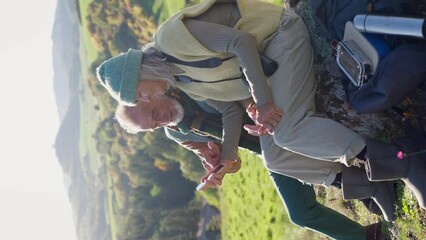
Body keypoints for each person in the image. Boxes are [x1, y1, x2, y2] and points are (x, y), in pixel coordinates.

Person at [96, 0, 426, 217]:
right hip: (271, 64)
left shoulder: (171, 39)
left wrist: (264, 100)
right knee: (275, 157)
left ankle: (401, 159)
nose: (145, 99)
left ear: (139, 72)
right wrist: (248, 116)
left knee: (288, 131)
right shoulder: (179, 79)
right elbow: (230, 101)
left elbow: (240, 43)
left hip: (280, 35)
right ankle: (369, 184)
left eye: (138, 95)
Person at [115, 89, 388, 240]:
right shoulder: (176, 132)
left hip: (274, 123)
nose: (161, 120)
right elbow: (235, 164)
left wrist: (229, 149)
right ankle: (366, 237)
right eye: (154, 125)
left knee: (304, 159)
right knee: (300, 213)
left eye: (154, 113)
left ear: (148, 94)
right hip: (267, 155)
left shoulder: (188, 86)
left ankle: (369, 183)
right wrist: (219, 168)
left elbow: (234, 103)